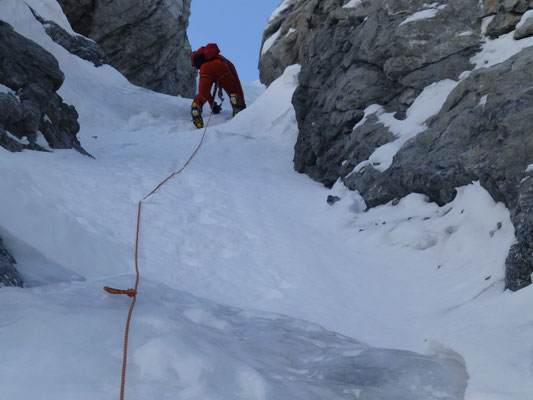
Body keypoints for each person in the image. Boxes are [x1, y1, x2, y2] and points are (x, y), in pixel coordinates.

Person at [190, 43, 246, 129]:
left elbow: (206, 93)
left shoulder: (203, 64)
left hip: (205, 69)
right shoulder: (219, 57)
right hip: (221, 67)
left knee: (203, 93)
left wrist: (213, 106)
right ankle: (236, 101)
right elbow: (235, 78)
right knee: (233, 91)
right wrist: (242, 104)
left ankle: (196, 105)